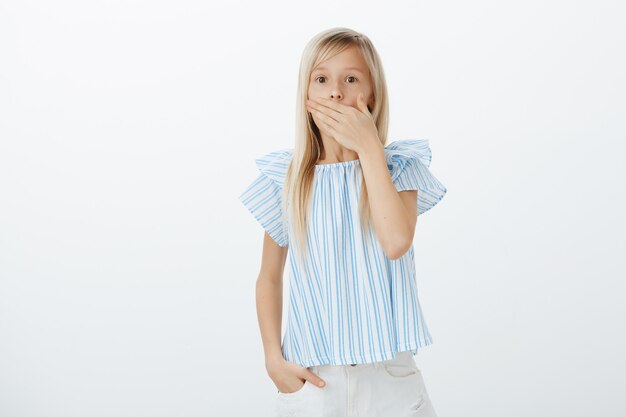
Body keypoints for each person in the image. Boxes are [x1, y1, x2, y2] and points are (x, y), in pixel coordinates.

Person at [238, 27, 447, 417]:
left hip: (390, 379)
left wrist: (368, 146)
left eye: (351, 79)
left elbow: (396, 240)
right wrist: (273, 360)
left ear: (372, 95)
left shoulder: (399, 167)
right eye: (322, 79)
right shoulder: (288, 179)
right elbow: (269, 276)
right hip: (315, 379)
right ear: (306, 97)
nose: (336, 92)